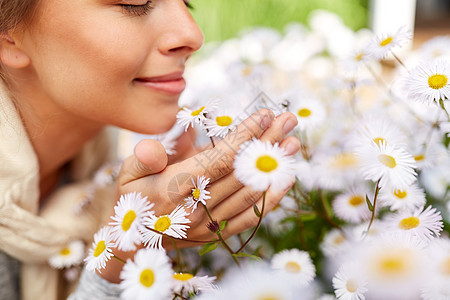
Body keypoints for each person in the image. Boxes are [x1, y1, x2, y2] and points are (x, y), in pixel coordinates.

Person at [0, 0, 301, 299]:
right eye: (135, 3)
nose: (193, 36)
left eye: (187, 2)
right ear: (9, 35)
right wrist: (123, 252)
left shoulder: (99, 164)